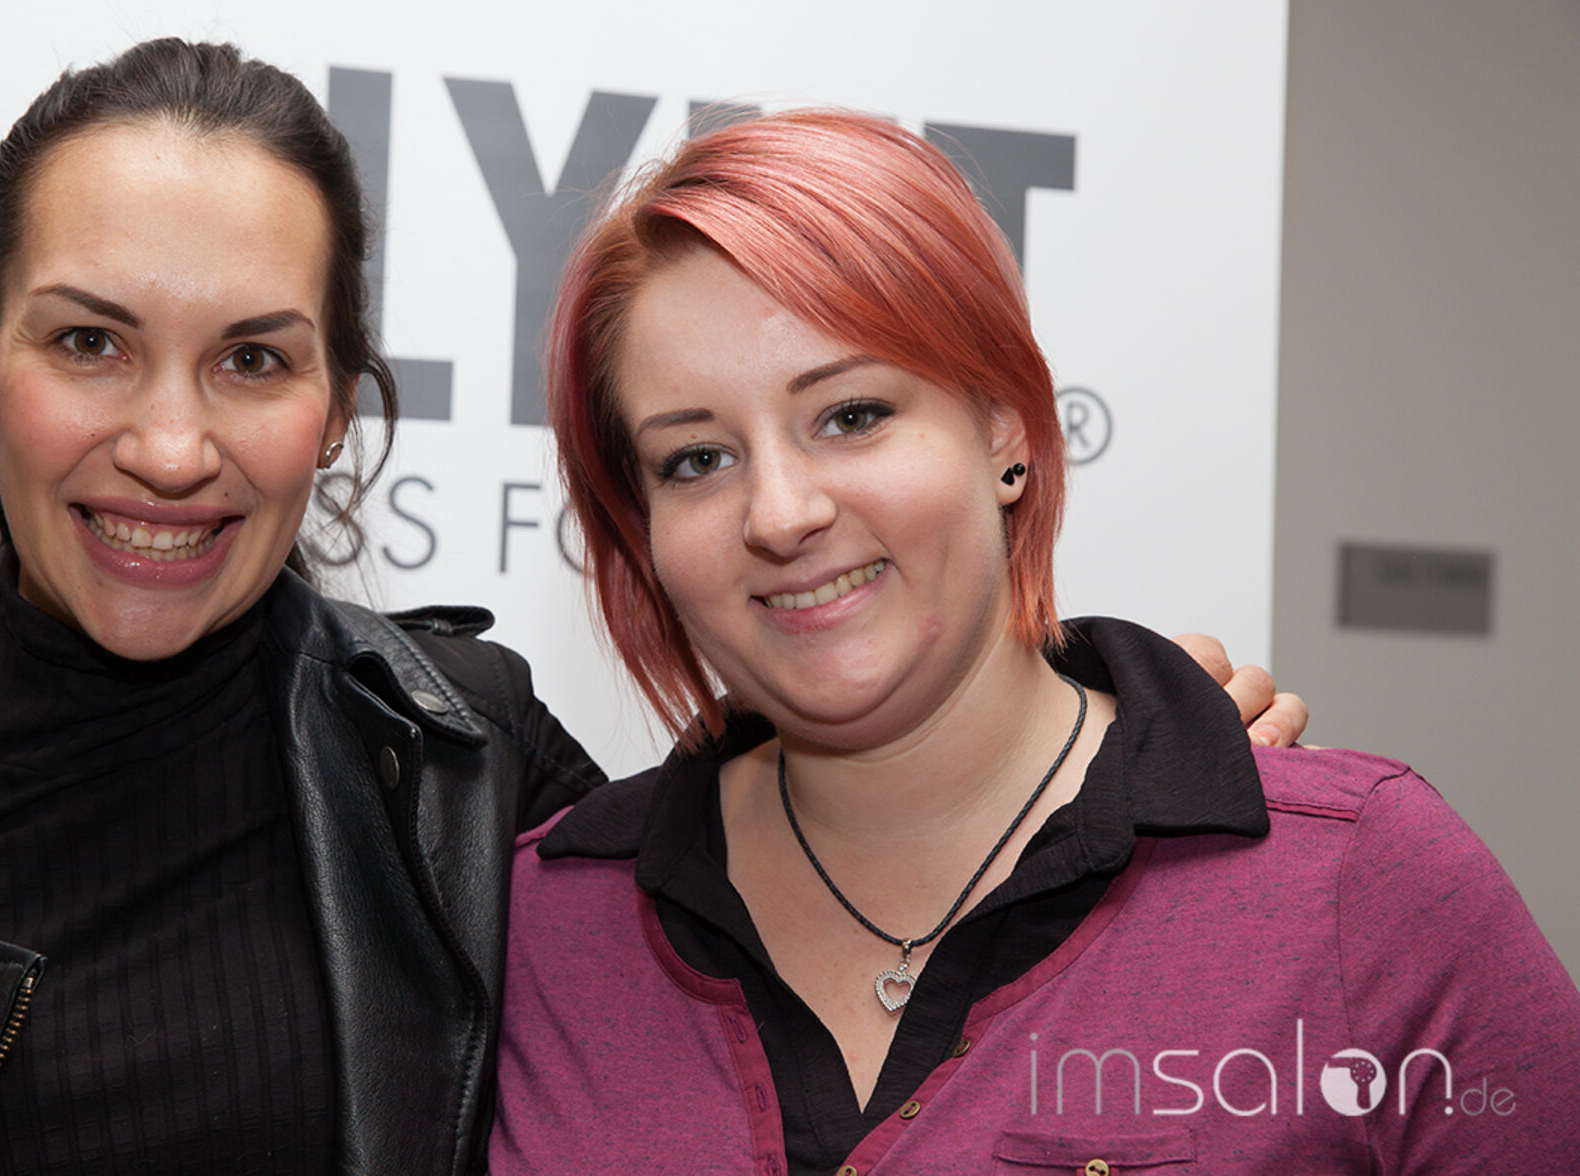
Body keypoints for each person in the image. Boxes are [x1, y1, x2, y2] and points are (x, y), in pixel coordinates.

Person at [0, 43, 1303, 1176]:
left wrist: (1108, 735)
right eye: (89, 343)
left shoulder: (460, 765)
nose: (168, 446)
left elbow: (823, 811)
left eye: (253, 359)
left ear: (336, 402)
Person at [491, 110, 1580, 1173]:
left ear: (1005, 427)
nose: (780, 514)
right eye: (696, 460)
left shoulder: (1359, 882)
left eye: (852, 414)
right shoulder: (538, 920)